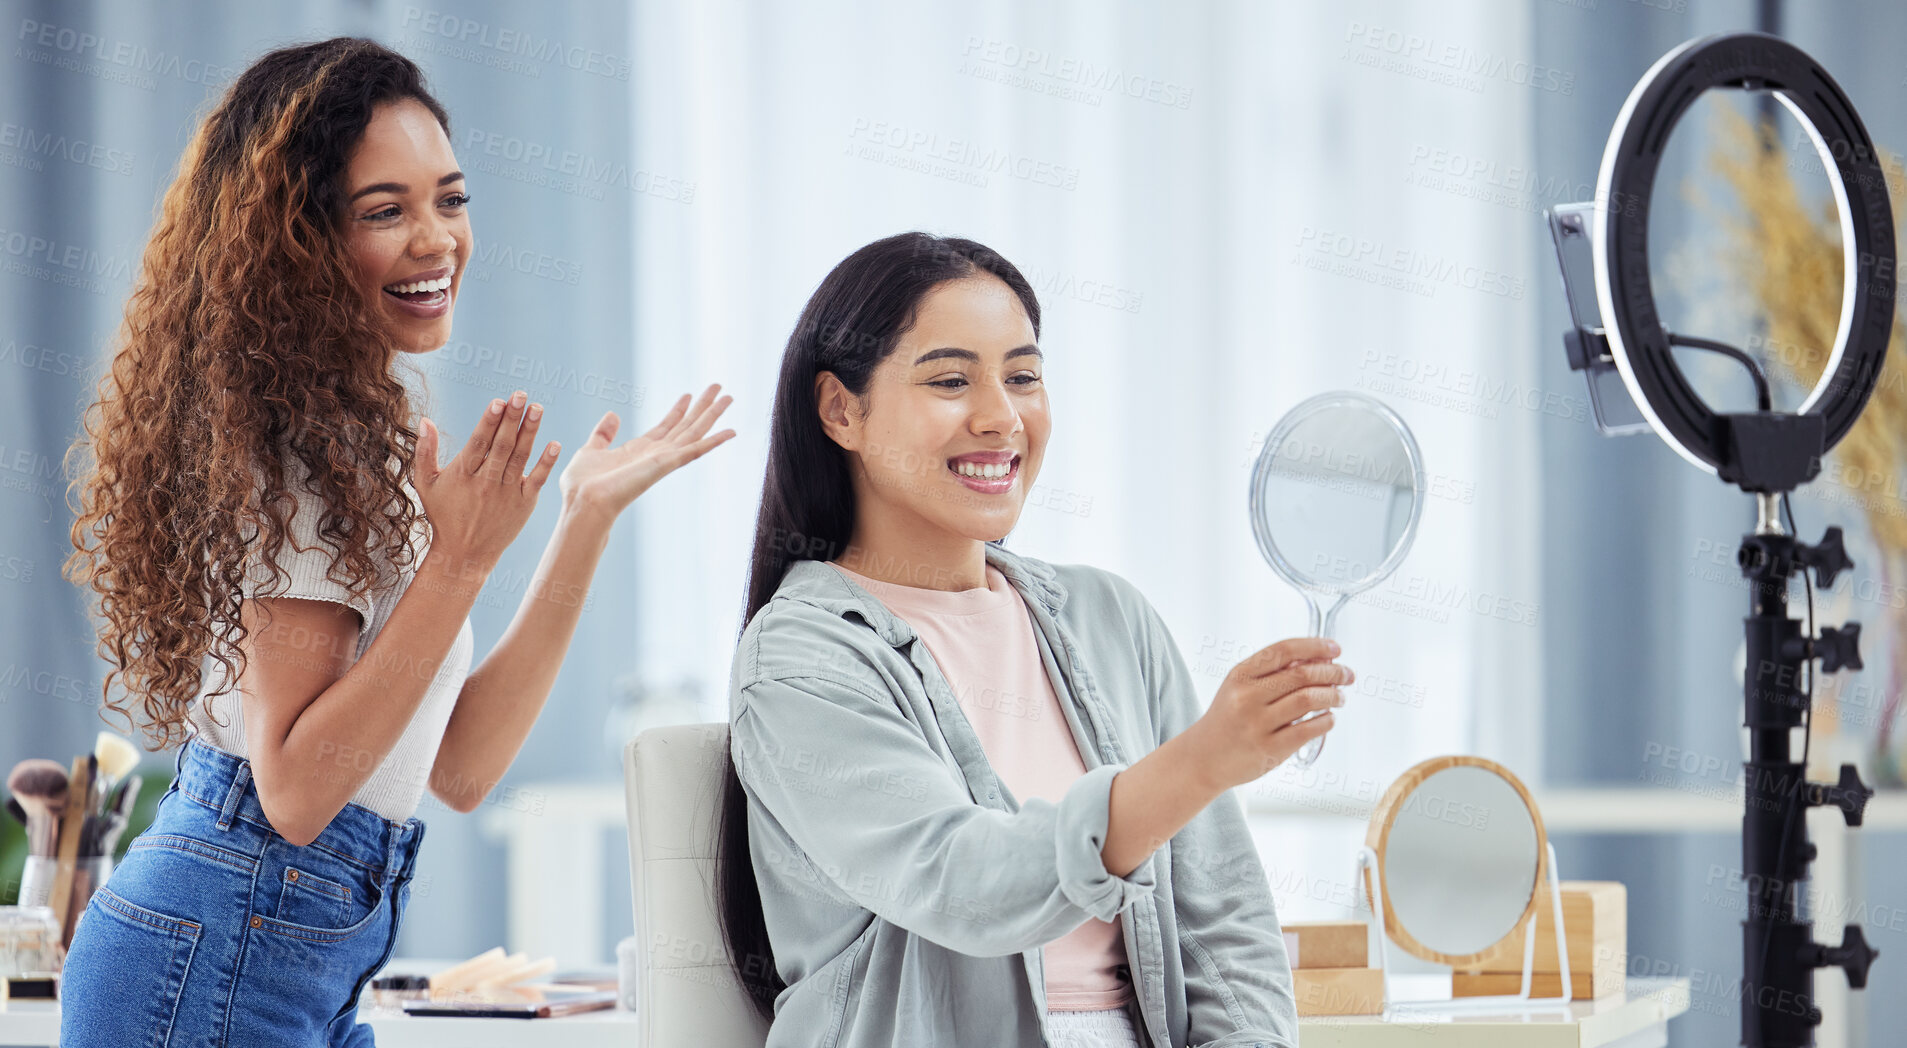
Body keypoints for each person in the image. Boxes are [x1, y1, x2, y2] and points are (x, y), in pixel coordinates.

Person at [59, 37, 733, 1047]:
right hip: (207, 960)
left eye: (449, 200)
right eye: (385, 211)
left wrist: (579, 521)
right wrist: (459, 563)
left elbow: (456, 766)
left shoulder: (353, 441)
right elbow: (292, 789)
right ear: (299, 241)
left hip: (267, 958)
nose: (436, 240)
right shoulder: (303, 455)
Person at [717, 232, 1351, 1048]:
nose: (1000, 416)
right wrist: (1196, 763)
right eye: (950, 380)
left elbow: (1226, 930)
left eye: (1022, 376)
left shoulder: (1109, 619)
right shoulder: (802, 660)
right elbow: (962, 883)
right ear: (841, 410)